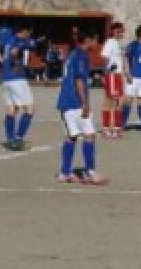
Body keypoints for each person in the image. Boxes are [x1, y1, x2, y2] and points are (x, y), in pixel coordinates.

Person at [56, 32, 107, 184]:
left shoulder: (73, 54)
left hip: (75, 102)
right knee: (72, 136)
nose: (96, 44)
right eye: (96, 40)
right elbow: (78, 80)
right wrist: (85, 103)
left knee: (90, 134)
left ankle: (89, 171)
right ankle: (65, 172)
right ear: (88, 40)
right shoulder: (80, 56)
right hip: (71, 102)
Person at [0, 27, 36, 151]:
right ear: (24, 31)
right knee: (30, 109)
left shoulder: (8, 40)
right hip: (17, 78)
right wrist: (16, 52)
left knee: (11, 109)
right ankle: (18, 138)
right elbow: (14, 52)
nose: (29, 36)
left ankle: (10, 139)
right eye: (28, 33)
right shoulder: (17, 41)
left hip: (6, 78)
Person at [99, 22, 127, 138]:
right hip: (112, 75)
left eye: (121, 31)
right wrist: (105, 74)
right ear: (112, 31)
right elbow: (105, 58)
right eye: (118, 31)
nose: (120, 33)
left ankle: (115, 128)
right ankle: (107, 129)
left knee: (116, 101)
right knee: (110, 102)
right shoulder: (110, 42)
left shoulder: (117, 43)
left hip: (117, 75)